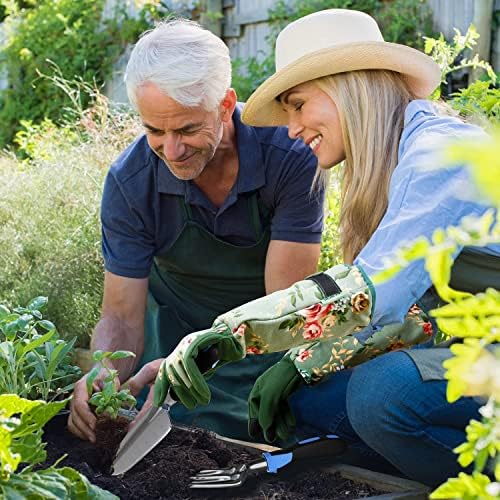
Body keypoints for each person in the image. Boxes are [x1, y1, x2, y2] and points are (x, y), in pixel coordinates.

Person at [134, 9, 500, 487]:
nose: (290, 128)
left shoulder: (439, 155)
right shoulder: (395, 159)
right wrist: (304, 362)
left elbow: (374, 291)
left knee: (381, 392)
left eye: (299, 105)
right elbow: (414, 316)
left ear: (350, 87)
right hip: (476, 359)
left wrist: (231, 334)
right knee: (303, 398)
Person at [67, 18, 325, 443]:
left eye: (187, 128)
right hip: (168, 339)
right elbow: (120, 316)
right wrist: (104, 371)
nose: (172, 150)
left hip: (262, 341)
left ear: (225, 105)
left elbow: (286, 312)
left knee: (290, 427)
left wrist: (198, 359)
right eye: (154, 130)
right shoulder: (131, 182)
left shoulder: (288, 157)